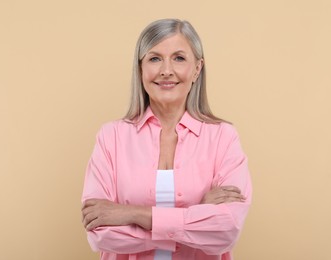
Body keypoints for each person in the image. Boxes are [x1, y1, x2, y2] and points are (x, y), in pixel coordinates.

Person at [81, 18, 252, 260]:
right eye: (154, 58)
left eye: (179, 58)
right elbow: (101, 233)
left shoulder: (223, 137)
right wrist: (197, 216)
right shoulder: (111, 137)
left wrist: (132, 214)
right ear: (140, 69)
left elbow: (226, 230)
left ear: (197, 69)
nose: (166, 70)